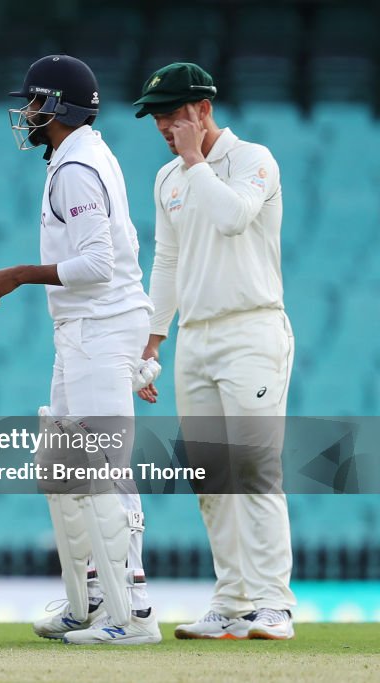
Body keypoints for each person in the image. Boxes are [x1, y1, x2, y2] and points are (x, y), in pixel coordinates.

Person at [0, 54, 161, 645]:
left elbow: (99, 264)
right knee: (62, 469)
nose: (26, 113)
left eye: (33, 102)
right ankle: (89, 599)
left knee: (103, 471)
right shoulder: (80, 155)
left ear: (57, 106)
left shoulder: (77, 167)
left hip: (98, 329)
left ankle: (131, 612)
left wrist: (22, 274)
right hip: (88, 331)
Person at [133, 62, 295, 640]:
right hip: (196, 337)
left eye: (174, 113)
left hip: (251, 328)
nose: (163, 126)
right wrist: (153, 337)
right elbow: (168, 261)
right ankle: (232, 603)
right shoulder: (166, 180)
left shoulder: (254, 160)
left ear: (203, 108)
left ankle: (275, 604)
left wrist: (197, 161)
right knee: (211, 478)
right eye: (156, 116)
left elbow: (233, 219)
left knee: (254, 468)